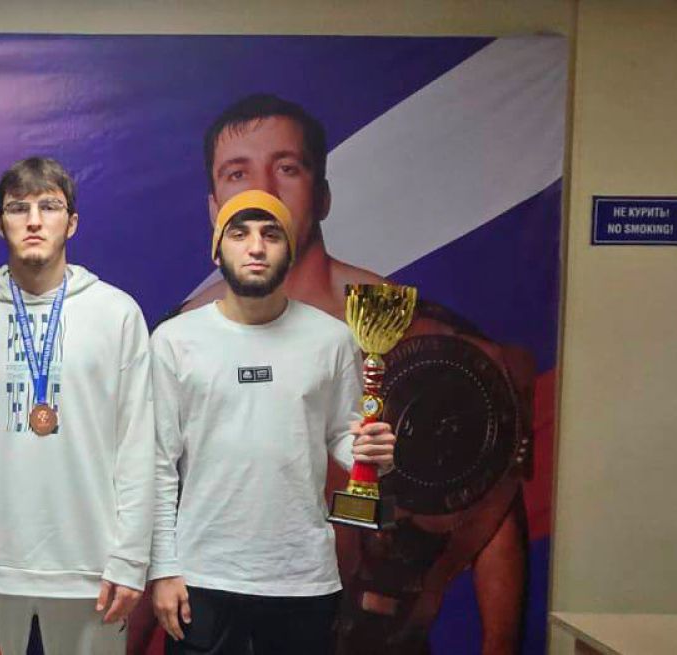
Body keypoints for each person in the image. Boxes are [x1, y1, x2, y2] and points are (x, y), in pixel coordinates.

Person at [146, 93, 535, 655]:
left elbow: (490, 503)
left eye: (287, 168)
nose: (264, 191)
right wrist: (156, 584)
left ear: (322, 194)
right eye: (238, 173)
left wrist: (373, 452)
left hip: (344, 615)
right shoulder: (176, 336)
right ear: (214, 208)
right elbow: (154, 478)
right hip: (210, 585)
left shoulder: (408, 328)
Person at [148, 190, 398, 654]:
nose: (256, 247)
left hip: (302, 577)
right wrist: (162, 569)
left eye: (271, 235)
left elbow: (343, 433)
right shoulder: (174, 341)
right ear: (217, 251)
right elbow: (159, 464)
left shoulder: (332, 338)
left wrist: (372, 455)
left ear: (291, 250)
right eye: (239, 234)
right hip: (203, 575)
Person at [0, 157, 154, 654]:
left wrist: (132, 558)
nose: (33, 220)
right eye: (18, 208)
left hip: (91, 567)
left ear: (71, 222)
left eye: (49, 207)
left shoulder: (116, 313)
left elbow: (137, 445)